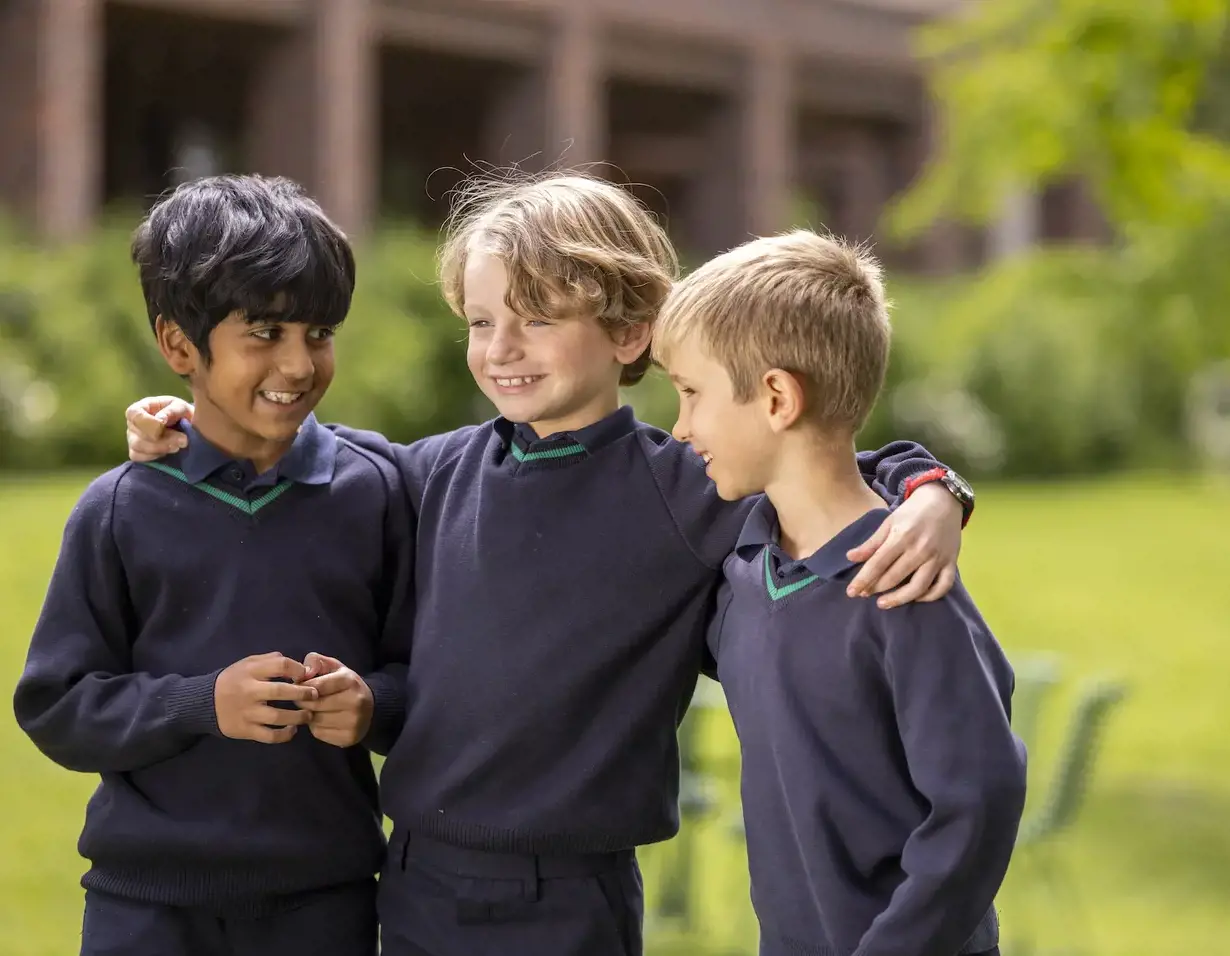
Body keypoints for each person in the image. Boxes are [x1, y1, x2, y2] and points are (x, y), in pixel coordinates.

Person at [123, 172, 976, 956]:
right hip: (417, 882)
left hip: (576, 899)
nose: (502, 347)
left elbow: (820, 465)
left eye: (536, 318)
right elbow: (290, 442)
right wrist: (187, 422)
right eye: (482, 322)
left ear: (628, 329)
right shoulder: (426, 475)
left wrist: (935, 489)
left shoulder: (691, 486)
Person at [13, 175, 413, 956]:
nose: (298, 364)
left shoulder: (376, 493)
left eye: (320, 332)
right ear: (177, 346)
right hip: (147, 907)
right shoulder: (120, 508)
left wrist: (374, 705)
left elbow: (423, 675)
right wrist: (202, 704)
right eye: (264, 332)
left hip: (325, 902)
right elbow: (57, 705)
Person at [653, 229, 1027, 956]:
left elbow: (977, 805)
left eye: (691, 393)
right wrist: (934, 483)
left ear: (776, 398)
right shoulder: (746, 572)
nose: (680, 427)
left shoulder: (906, 592)